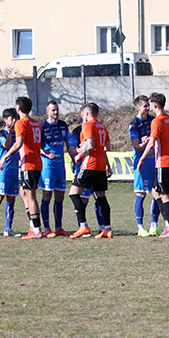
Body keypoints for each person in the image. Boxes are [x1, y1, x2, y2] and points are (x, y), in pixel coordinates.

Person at [0, 96, 44, 239]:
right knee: (27, 194)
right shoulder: (36, 123)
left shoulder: (20, 123)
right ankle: (33, 227)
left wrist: (4, 157)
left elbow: (18, 144)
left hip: (28, 163)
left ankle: (36, 230)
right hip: (36, 162)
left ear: (18, 108)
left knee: (31, 197)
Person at [136, 92, 169, 238]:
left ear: (155, 105)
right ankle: (168, 224)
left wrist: (141, 158)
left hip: (163, 161)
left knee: (165, 195)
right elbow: (161, 138)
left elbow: (152, 144)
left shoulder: (157, 121)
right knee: (155, 191)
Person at [69, 103, 114, 239]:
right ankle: (107, 228)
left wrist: (78, 154)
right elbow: (108, 147)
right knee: (101, 196)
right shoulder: (102, 126)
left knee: (73, 193)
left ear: (86, 114)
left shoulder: (87, 125)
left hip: (90, 164)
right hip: (100, 166)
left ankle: (83, 226)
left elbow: (89, 146)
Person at [39, 101, 74, 237]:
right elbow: (35, 145)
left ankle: (58, 227)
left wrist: (73, 158)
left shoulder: (63, 125)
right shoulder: (42, 127)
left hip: (60, 165)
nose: (56, 112)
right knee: (47, 194)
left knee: (60, 196)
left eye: (57, 110)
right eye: (53, 110)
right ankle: (47, 228)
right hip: (48, 165)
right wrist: (45, 153)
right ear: (47, 112)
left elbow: (69, 142)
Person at [0, 108, 22, 237]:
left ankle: (8, 229)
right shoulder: (0, 133)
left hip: (14, 170)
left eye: (15, 118)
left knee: (11, 200)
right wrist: (10, 133)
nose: (13, 121)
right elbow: (7, 146)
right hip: (3, 171)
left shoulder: (18, 134)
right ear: (5, 120)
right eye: (11, 118)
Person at [129, 95, 161, 236]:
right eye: (145, 106)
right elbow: (137, 147)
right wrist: (145, 143)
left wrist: (151, 139)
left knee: (157, 193)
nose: (148, 108)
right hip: (141, 164)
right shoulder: (134, 124)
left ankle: (154, 225)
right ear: (138, 107)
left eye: (149, 105)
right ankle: (140, 227)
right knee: (141, 194)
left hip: (154, 162)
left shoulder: (153, 120)